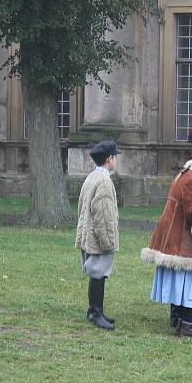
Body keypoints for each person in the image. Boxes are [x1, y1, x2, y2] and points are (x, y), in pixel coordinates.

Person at [141, 159, 192, 339]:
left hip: (176, 235)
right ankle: (187, 325)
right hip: (184, 239)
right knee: (189, 283)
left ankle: (179, 321)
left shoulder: (185, 173)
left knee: (181, 282)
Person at [75, 140, 120, 331]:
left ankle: (94, 310)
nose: (116, 160)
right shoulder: (103, 181)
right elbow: (104, 214)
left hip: (89, 232)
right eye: (115, 157)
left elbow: (80, 207)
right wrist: (108, 240)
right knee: (99, 272)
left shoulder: (92, 177)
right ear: (109, 159)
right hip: (98, 235)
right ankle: (95, 312)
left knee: (96, 272)